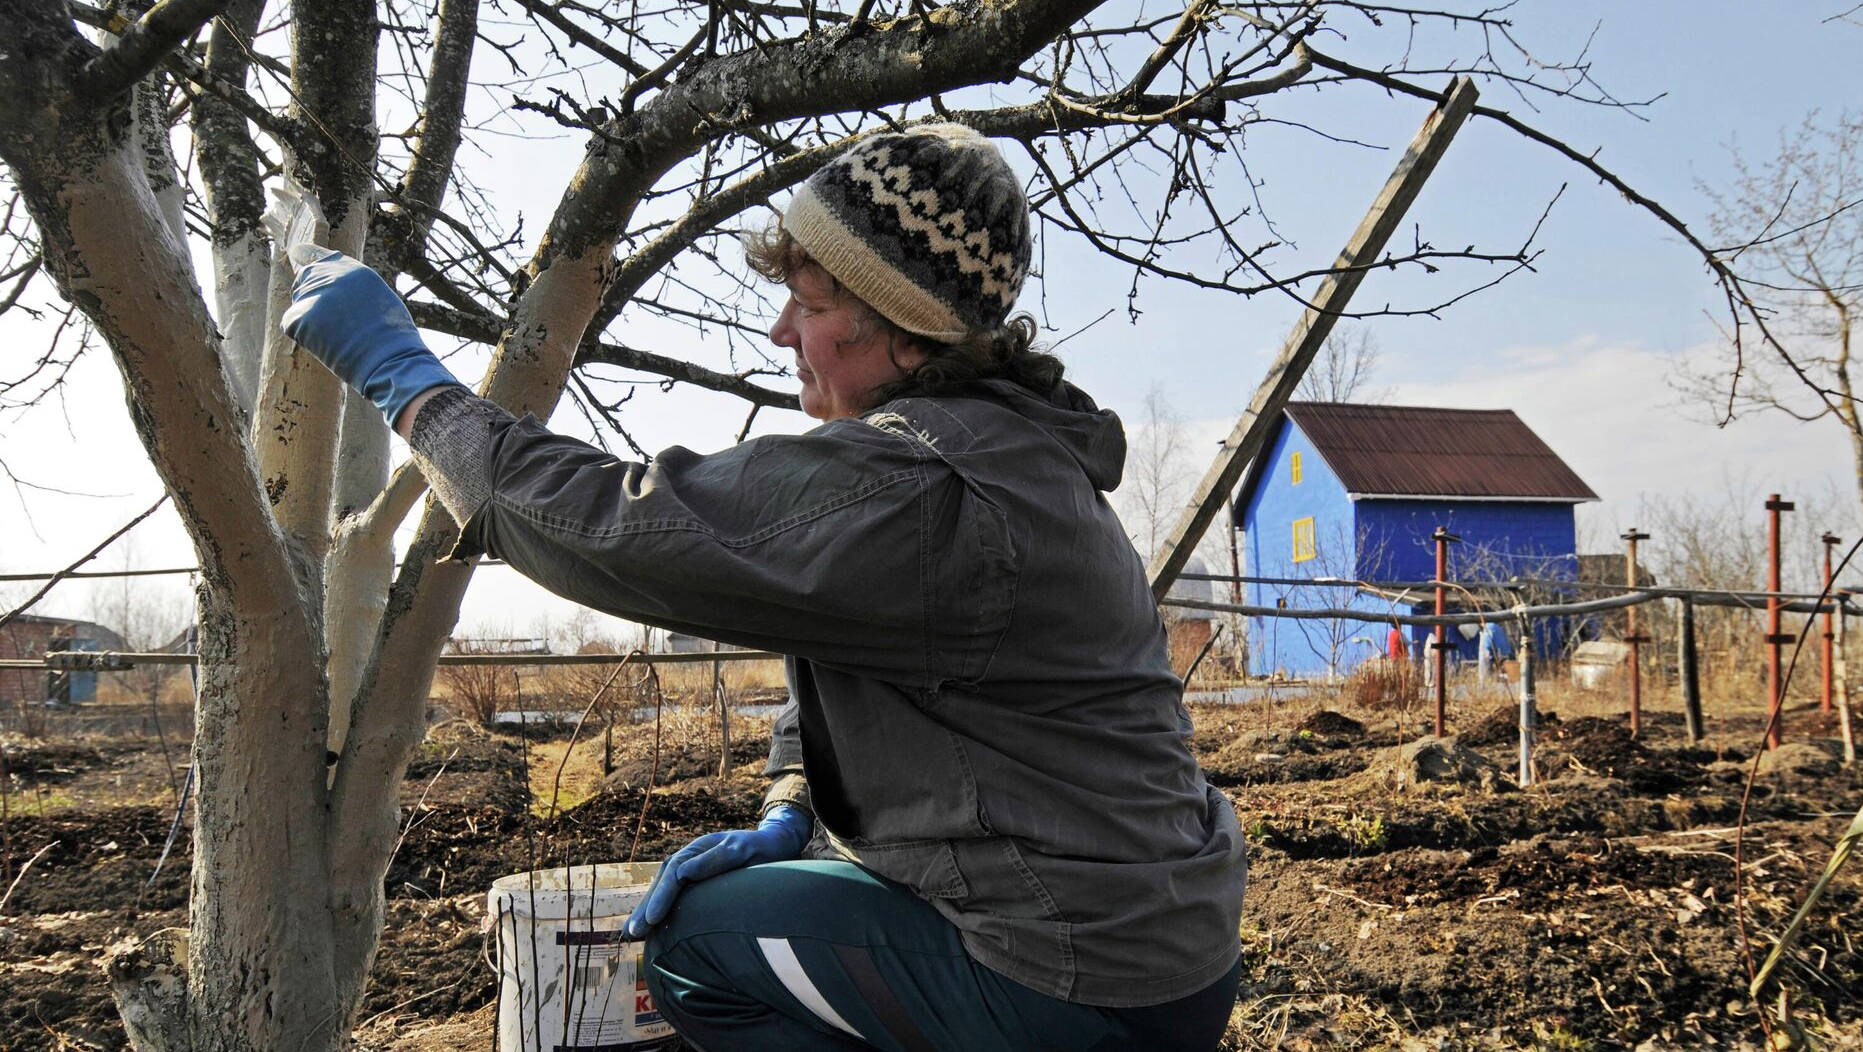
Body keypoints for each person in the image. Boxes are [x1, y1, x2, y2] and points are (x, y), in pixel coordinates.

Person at [285, 123, 1246, 1051]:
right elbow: (836, 635)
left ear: (908, 330)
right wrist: (794, 798)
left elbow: (617, 529)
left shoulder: (923, 489)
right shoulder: (1006, 457)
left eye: (814, 305)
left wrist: (406, 380)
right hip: (1151, 938)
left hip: (1077, 975)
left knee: (698, 950)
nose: (783, 328)